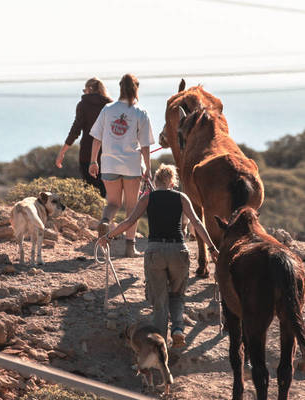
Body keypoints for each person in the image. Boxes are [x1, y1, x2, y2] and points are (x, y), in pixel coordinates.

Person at [100, 164, 216, 347]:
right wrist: (212, 248)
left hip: (155, 252)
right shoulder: (181, 197)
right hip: (178, 250)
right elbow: (197, 223)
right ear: (172, 182)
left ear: (156, 181)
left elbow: (130, 221)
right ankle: (178, 329)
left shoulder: (148, 197)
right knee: (177, 295)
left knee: (160, 302)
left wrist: (108, 237)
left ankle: (160, 345)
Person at [89, 73, 153, 257]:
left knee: (113, 203)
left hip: (108, 164)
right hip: (132, 165)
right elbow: (146, 146)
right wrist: (148, 168)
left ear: (120, 88)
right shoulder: (140, 112)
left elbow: (96, 138)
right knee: (131, 208)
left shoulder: (107, 110)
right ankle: (130, 247)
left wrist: (93, 161)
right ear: (136, 89)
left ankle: (105, 220)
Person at [56, 77, 112, 197]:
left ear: (89, 89)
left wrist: (62, 151)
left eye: (84, 90)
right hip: (108, 154)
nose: (84, 93)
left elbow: (75, 130)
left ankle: (94, 214)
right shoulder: (110, 105)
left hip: (87, 154)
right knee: (105, 192)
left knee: (90, 192)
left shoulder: (83, 105)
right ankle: (105, 215)